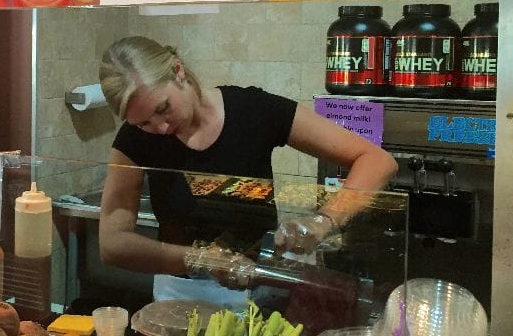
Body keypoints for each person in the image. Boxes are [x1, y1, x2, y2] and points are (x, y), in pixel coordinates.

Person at [97, 36, 397, 294]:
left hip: (258, 289)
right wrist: (198, 260)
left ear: (178, 71)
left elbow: (377, 161)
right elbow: (112, 243)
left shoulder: (253, 111)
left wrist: (324, 220)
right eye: (143, 122)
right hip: (178, 292)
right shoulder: (134, 141)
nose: (160, 128)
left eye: (163, 109)